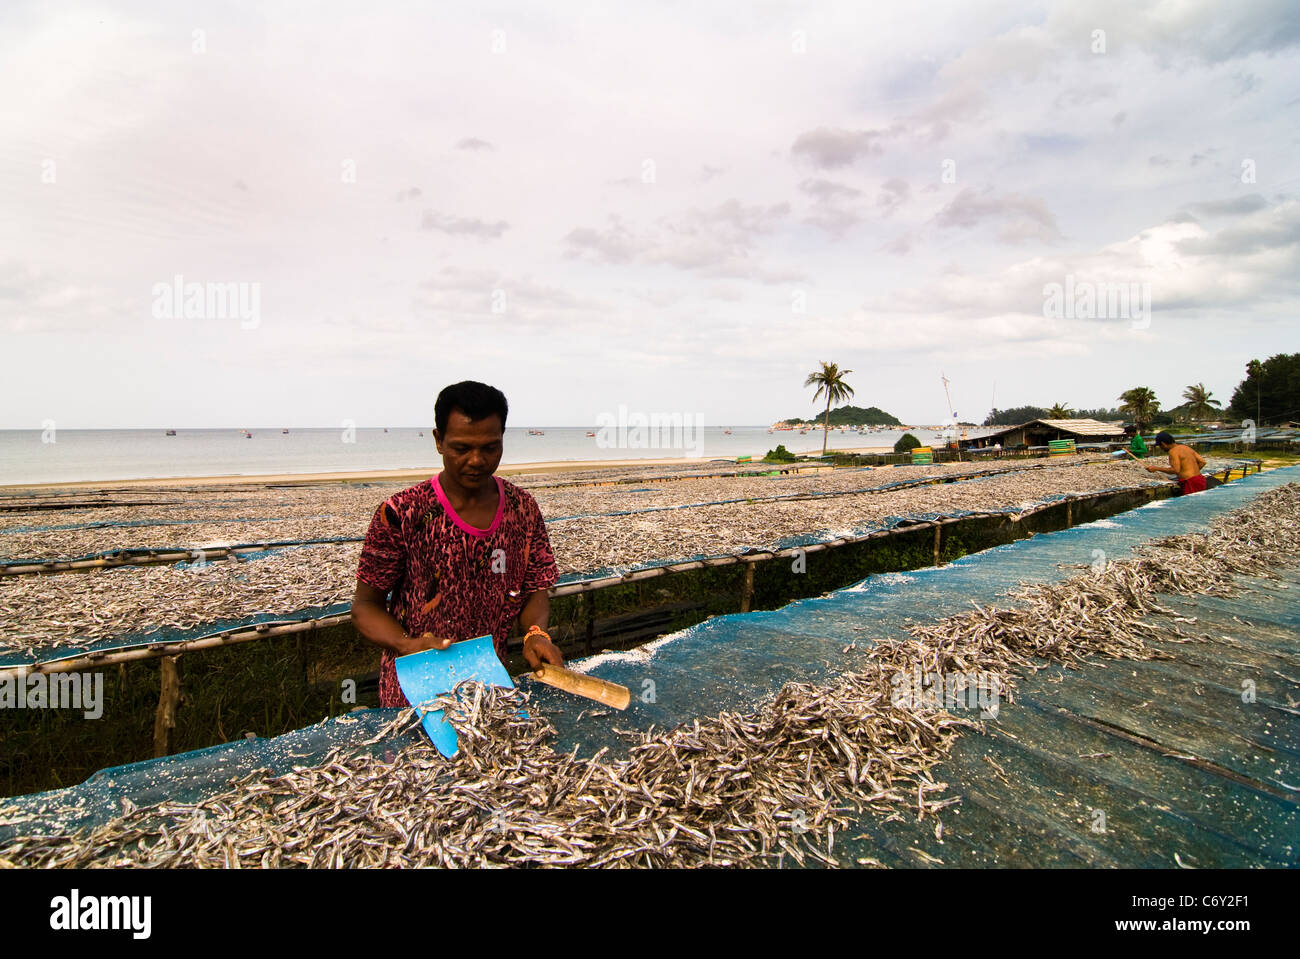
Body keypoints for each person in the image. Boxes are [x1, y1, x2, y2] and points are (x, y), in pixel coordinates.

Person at [351, 381, 563, 708]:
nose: (477, 460)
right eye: (462, 449)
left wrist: (536, 633)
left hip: (490, 689)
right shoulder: (401, 513)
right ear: (438, 441)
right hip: (413, 692)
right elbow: (365, 606)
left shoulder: (523, 509)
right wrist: (405, 643)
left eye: (490, 448)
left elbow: (535, 590)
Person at [1145, 430, 1208, 495]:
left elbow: (1175, 470)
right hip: (1200, 479)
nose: (1162, 449)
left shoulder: (1173, 451)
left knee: (1191, 503)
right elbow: (1202, 462)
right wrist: (1192, 473)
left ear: (1163, 444)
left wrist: (1156, 468)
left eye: (1160, 446)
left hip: (1190, 482)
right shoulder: (1186, 447)